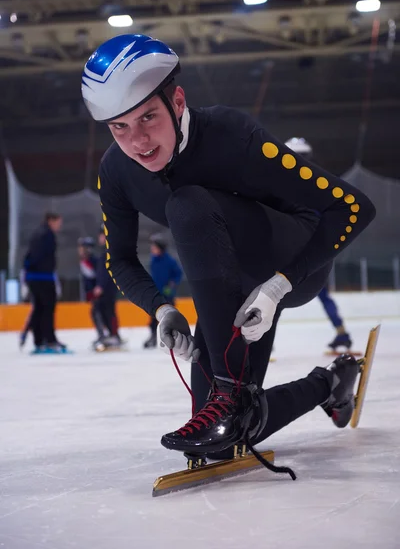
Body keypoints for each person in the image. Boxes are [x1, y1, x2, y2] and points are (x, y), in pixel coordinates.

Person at [81, 34, 375, 462]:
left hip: (293, 259)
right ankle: (330, 383)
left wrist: (278, 286)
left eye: (147, 117)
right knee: (229, 434)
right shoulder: (116, 170)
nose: (138, 141)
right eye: (119, 127)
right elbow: (120, 259)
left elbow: (353, 207)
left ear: (177, 101)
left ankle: (229, 390)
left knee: (185, 204)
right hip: (231, 280)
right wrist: (163, 311)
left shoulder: (231, 135)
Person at [285, 137, 353, 351]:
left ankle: (255, 342)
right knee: (322, 294)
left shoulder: (285, 185)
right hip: (317, 249)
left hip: (294, 246)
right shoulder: (320, 182)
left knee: (271, 293)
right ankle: (342, 332)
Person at [23, 212, 65, 353]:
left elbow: (29, 257)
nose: (60, 225)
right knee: (47, 308)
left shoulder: (37, 233)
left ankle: (39, 340)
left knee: (39, 308)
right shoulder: (46, 235)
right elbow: (38, 257)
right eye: (58, 222)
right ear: (51, 220)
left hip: (35, 277)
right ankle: (49, 340)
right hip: (43, 277)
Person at [143, 233, 183, 349]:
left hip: (167, 295)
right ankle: (153, 337)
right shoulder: (153, 260)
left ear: (160, 248)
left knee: (170, 318)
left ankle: (173, 338)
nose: (152, 249)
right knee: (153, 318)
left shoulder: (169, 261)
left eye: (154, 247)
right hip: (156, 293)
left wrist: (171, 285)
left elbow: (178, 274)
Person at [91, 224, 122, 351]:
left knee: (109, 311)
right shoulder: (103, 252)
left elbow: (106, 272)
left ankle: (114, 334)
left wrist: (100, 286)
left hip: (108, 288)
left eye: (101, 235)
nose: (100, 237)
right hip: (105, 288)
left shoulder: (108, 252)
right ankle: (110, 333)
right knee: (103, 311)